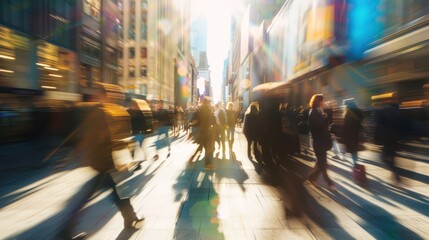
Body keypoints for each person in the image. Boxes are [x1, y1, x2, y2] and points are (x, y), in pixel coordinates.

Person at [60, 103, 143, 240]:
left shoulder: (98, 112)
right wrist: (123, 145)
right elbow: (101, 139)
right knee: (97, 196)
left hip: (101, 163)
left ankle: (130, 218)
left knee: (115, 194)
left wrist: (73, 155)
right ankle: (65, 232)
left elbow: (91, 138)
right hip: (103, 163)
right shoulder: (100, 113)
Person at [307, 94, 336, 191]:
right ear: (317, 101)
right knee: (323, 163)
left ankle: (312, 178)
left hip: (322, 141)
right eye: (321, 101)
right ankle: (329, 183)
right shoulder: (313, 112)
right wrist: (324, 118)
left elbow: (323, 126)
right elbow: (315, 127)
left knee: (321, 163)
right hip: (318, 142)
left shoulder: (319, 111)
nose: (323, 102)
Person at [342, 98, 363, 166]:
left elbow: (346, 125)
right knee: (354, 149)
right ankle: (355, 162)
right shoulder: (358, 111)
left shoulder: (348, 112)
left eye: (345, 105)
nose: (345, 106)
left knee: (352, 149)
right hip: (356, 134)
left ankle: (355, 163)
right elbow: (361, 121)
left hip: (350, 134)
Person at [199, 97, 215, 169]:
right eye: (209, 102)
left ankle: (207, 163)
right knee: (208, 147)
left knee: (206, 147)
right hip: (206, 130)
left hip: (202, 130)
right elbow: (210, 119)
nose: (209, 103)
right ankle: (207, 164)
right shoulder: (207, 110)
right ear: (207, 102)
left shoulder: (201, 109)